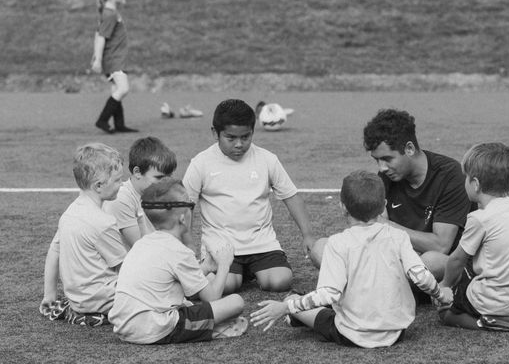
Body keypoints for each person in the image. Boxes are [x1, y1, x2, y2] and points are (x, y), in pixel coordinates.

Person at [251, 171, 453, 348]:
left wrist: (286, 307)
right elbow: (420, 275)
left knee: (293, 299)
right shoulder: (398, 236)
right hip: (397, 332)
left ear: (342, 207)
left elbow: (329, 294)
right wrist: (441, 294)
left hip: (350, 334)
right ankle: (299, 316)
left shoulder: (338, 243)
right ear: (383, 206)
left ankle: (295, 315)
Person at [182, 98, 316, 294]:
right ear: (215, 133)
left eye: (245, 137)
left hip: (262, 243)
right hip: (222, 245)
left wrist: (308, 235)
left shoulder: (267, 159)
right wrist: (187, 246)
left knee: (281, 281)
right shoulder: (200, 163)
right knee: (226, 286)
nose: (239, 144)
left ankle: (250, 271)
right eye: (231, 138)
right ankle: (237, 274)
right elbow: (185, 207)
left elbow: (291, 196)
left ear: (253, 131)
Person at [109, 178, 247, 344]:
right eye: (190, 206)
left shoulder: (142, 243)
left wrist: (206, 267)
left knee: (187, 303)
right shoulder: (179, 251)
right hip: (155, 327)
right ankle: (209, 330)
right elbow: (212, 297)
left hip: (124, 327)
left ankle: (207, 327)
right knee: (236, 302)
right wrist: (224, 265)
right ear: (183, 218)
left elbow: (176, 280)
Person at [437, 143, 509, 331]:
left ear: (476, 184)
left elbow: (456, 260)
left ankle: (485, 322)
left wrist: (444, 285)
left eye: (466, 177)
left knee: (445, 311)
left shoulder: (479, 218)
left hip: (493, 303)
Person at [359, 108, 472, 281]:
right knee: (322, 249)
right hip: (402, 260)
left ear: (409, 149)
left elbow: (440, 245)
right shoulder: (385, 178)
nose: (381, 168)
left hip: (438, 267)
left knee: (431, 261)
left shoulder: (450, 176)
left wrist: (384, 224)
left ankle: (371, 287)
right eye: (377, 160)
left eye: (388, 159)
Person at [40, 143, 126, 326]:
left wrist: (50, 294)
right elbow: (126, 268)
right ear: (99, 185)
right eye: (118, 180)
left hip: (78, 300)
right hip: (105, 299)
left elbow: (54, 252)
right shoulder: (103, 222)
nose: (122, 184)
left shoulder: (69, 213)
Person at [104, 136, 178, 249]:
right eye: (159, 178)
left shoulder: (154, 195)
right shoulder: (122, 199)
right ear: (137, 172)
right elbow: (142, 249)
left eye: (168, 177)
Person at [91, 0, 137, 134]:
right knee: (123, 89)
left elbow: (98, 33)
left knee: (116, 89)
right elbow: (101, 37)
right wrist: (97, 59)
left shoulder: (110, 12)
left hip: (116, 59)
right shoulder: (110, 14)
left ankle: (119, 124)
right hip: (113, 60)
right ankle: (102, 120)